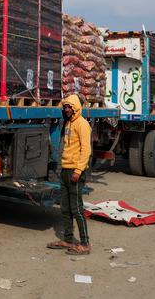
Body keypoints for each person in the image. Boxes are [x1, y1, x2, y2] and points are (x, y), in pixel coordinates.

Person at [47, 93, 92, 255]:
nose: (66, 110)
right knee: (65, 208)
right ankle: (68, 239)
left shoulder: (82, 124)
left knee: (77, 208)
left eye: (69, 107)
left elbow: (86, 150)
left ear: (76, 108)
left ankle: (85, 243)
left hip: (76, 172)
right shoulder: (68, 124)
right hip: (66, 169)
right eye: (65, 107)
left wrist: (79, 170)